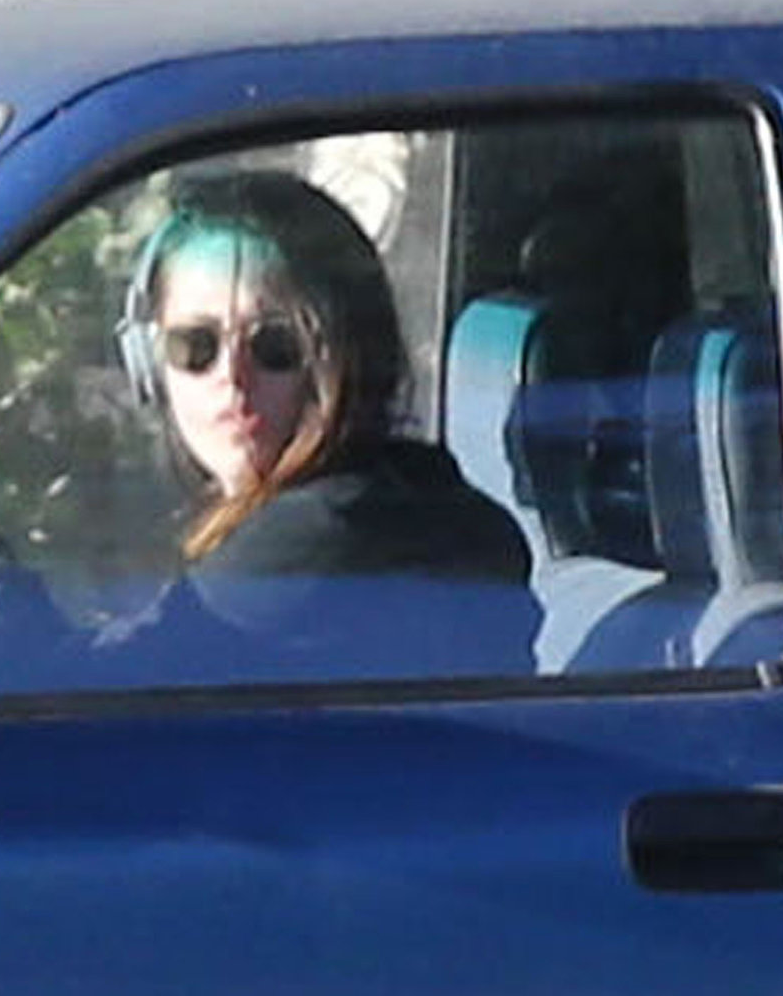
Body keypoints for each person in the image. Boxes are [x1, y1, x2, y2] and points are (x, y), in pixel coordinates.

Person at [103, 169, 538, 684]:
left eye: (277, 346)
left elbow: (80, 700)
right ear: (148, 364)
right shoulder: (419, 495)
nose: (233, 378)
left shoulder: (308, 543)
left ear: (346, 357)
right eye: (194, 345)